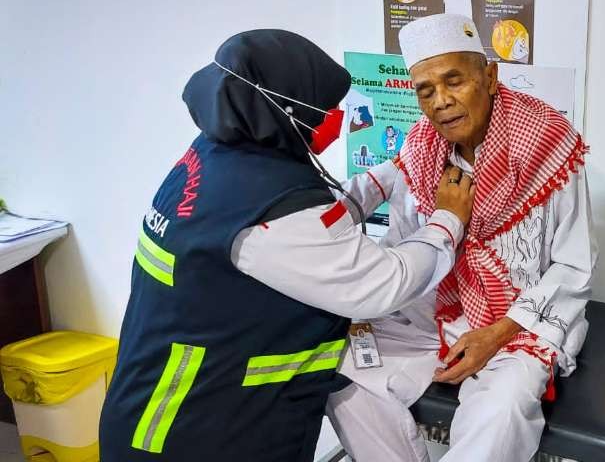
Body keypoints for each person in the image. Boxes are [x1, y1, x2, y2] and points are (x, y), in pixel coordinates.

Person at [98, 30, 474, 461]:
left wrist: (385, 177)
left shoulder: (217, 154)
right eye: (326, 109)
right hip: (200, 434)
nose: (334, 118)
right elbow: (382, 283)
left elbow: (307, 228)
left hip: (160, 410)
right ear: (286, 109)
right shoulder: (269, 213)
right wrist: (447, 220)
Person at [327, 13, 596, 462]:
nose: (441, 102)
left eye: (455, 81)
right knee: (345, 369)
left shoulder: (548, 144)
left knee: (501, 412)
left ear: (489, 77)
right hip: (438, 313)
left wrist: (497, 333)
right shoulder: (421, 146)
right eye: (426, 90)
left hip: (520, 320)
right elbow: (367, 191)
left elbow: (574, 264)